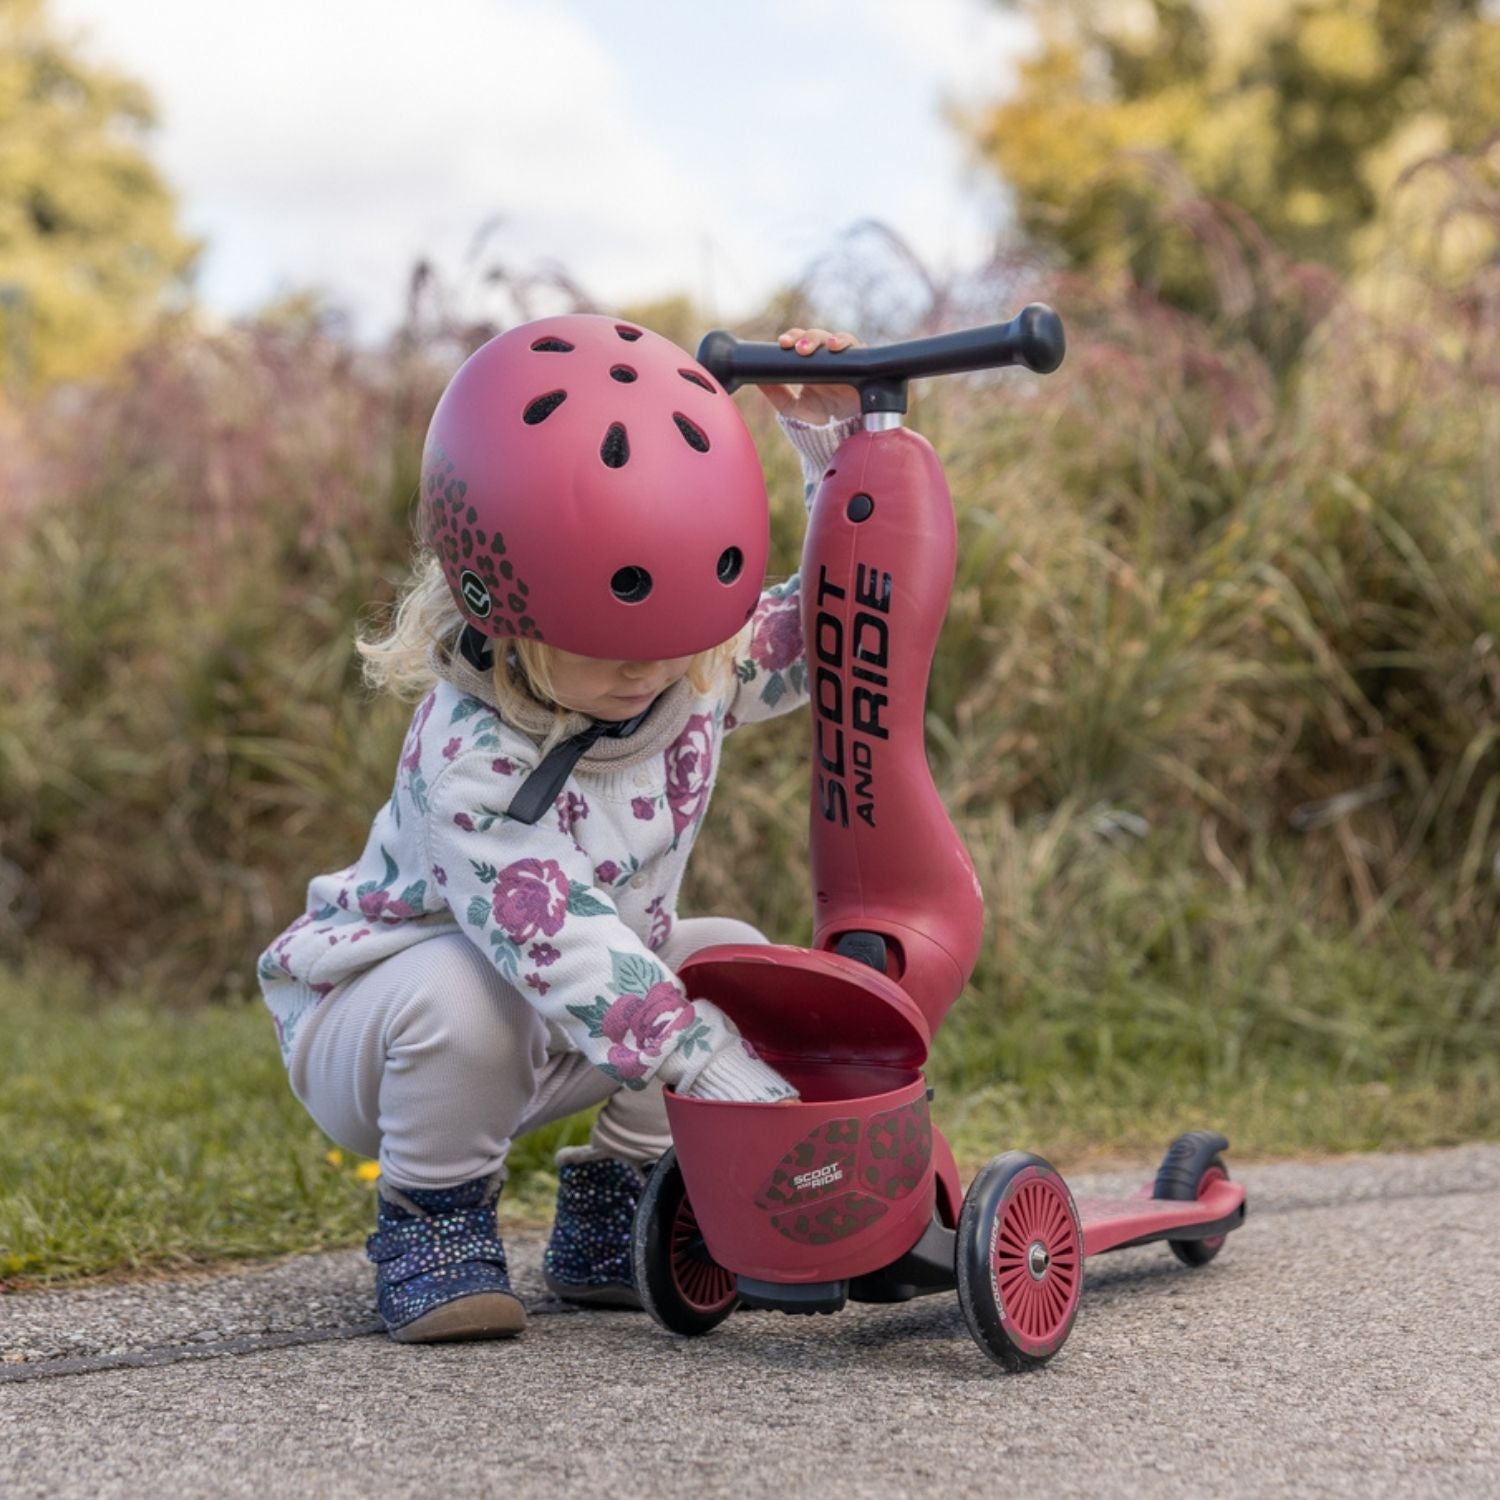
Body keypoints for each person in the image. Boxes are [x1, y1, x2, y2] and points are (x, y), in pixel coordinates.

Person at [255, 313, 861, 1342]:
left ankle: (616, 1210)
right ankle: (433, 1220)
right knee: (466, 994)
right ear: (496, 602)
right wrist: (704, 1063)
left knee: (734, 963)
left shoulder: (685, 666)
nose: (644, 669)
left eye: (669, 637)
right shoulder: (469, 757)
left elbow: (831, 629)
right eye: (603, 640)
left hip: (568, 1019)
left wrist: (841, 452)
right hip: (379, 1027)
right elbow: (559, 940)